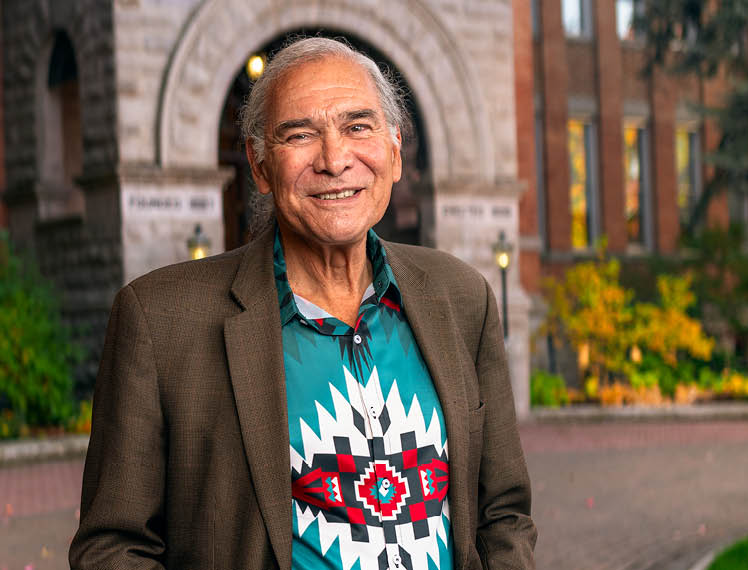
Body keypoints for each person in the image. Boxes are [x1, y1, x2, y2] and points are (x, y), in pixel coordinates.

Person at [70, 37, 536, 570]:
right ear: (261, 164)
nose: (335, 160)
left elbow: (504, 513)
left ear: (395, 151)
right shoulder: (160, 320)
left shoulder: (461, 297)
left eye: (358, 127)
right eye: (299, 135)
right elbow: (112, 548)